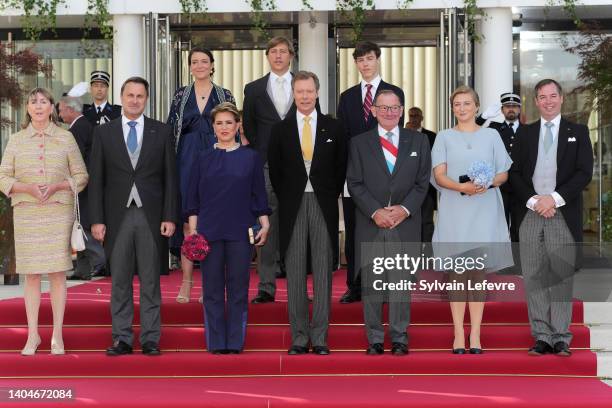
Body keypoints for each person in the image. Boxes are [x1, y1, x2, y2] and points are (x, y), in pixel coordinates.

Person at [89, 77, 178, 357]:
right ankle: (122, 338)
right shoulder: (104, 133)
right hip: (117, 217)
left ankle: (151, 338)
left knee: (151, 281)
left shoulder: (161, 132)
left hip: (152, 216)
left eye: (140, 96)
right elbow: (97, 180)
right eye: (130, 95)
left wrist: (170, 216)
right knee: (120, 281)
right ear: (122, 96)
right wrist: (97, 219)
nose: (135, 100)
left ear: (147, 98)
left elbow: (170, 179)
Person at [0, 88, 88, 356]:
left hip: (58, 212)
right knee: (32, 275)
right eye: (33, 102)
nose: (38, 106)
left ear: (53, 107)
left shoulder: (66, 138)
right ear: (27, 108)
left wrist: (60, 185)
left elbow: (82, 176)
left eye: (43, 102)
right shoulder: (16, 140)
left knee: (58, 274)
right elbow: (3, 178)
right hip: (27, 213)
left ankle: (57, 335)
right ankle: (33, 334)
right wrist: (25, 188)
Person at [510, 79, 593, 357]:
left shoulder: (578, 131)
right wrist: (534, 201)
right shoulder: (525, 133)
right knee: (533, 275)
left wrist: (553, 198)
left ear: (562, 99)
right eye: (542, 97)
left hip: (561, 212)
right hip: (531, 213)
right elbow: (515, 174)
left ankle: (560, 336)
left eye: (552, 96)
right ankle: (542, 335)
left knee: (559, 274)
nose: (548, 101)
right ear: (535, 101)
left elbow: (584, 172)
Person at [268, 71, 347, 355]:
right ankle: (299, 337)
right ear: (293, 93)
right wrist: (291, 195)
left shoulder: (334, 128)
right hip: (293, 206)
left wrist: (327, 191)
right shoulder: (280, 130)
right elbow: (275, 171)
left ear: (317, 92)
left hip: (323, 205)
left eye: (309, 91)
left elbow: (341, 168)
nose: (304, 96)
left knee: (324, 273)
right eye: (299, 91)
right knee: (296, 273)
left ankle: (321, 337)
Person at [347, 89, 430, 356]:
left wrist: (404, 210)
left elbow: (422, 182)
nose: (390, 112)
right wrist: (376, 212)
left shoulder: (418, 141)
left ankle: (399, 336)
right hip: (372, 223)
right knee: (372, 283)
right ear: (373, 111)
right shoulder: (359, 143)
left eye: (395, 108)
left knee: (400, 283)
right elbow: (355, 183)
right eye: (383, 108)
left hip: (404, 223)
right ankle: (373, 337)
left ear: (402, 110)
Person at [431, 86, 513, 354]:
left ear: (476, 107)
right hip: (455, 209)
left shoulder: (491, 136)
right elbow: (440, 175)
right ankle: (458, 333)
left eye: (467, 103)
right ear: (452, 108)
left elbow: (503, 174)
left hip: (484, 209)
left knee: (477, 273)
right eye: (457, 104)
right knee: (457, 273)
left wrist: (487, 183)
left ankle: (475, 333)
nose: (462, 108)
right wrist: (461, 187)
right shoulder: (443, 137)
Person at [185, 102, 270, 354]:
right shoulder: (202, 158)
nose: (224, 127)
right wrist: (194, 232)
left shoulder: (250, 157)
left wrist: (264, 222)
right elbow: (192, 199)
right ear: (213, 127)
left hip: (240, 232)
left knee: (238, 288)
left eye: (229, 122)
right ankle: (215, 342)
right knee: (211, 289)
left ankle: (235, 341)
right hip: (208, 232)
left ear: (237, 126)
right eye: (219, 123)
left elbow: (258, 195)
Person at [337, 41, 405, 304]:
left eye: (369, 58)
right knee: (355, 232)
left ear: (378, 60)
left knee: (386, 232)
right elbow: (343, 138)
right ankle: (355, 285)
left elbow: (394, 132)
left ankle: (386, 285)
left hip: (387, 175)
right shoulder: (347, 96)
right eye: (360, 60)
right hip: (355, 176)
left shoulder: (393, 92)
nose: (365, 64)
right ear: (355, 64)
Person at [167, 47, 235, 303]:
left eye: (204, 61)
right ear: (189, 66)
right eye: (194, 62)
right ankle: (186, 282)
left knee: (213, 223)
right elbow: (171, 128)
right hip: (186, 159)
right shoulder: (180, 95)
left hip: (217, 159)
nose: (199, 65)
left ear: (212, 65)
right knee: (188, 222)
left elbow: (233, 129)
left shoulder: (224, 94)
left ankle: (211, 283)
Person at [243, 36, 297, 304]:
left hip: (300, 167)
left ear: (291, 55)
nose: (278, 55)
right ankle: (266, 285)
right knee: (265, 223)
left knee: (298, 223)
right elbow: (250, 128)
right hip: (264, 165)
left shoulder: (304, 85)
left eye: (283, 51)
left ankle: (297, 285)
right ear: (267, 56)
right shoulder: (253, 89)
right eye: (273, 51)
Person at [58, 93, 106, 281]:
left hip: (83, 186)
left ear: (70, 109)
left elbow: (73, 162)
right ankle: (83, 269)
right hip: (86, 184)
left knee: (83, 227)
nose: (60, 114)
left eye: (61, 110)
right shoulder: (83, 126)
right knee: (79, 226)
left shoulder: (77, 129)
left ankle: (101, 260)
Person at [476, 93, 523, 242]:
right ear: (502, 110)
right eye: (507, 106)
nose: (511, 109)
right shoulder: (494, 128)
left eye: (514, 106)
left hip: (521, 185)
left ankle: (518, 262)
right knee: (498, 225)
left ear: (519, 109)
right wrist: (484, 116)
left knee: (519, 226)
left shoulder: (528, 130)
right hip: (499, 184)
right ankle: (500, 262)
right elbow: (473, 128)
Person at [405, 106, 437, 247]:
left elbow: (435, 160)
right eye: (411, 116)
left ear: (422, 118)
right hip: (406, 187)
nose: (414, 118)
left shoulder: (431, 136)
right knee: (408, 219)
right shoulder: (402, 135)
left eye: (417, 116)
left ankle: (428, 252)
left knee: (427, 220)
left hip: (427, 186)